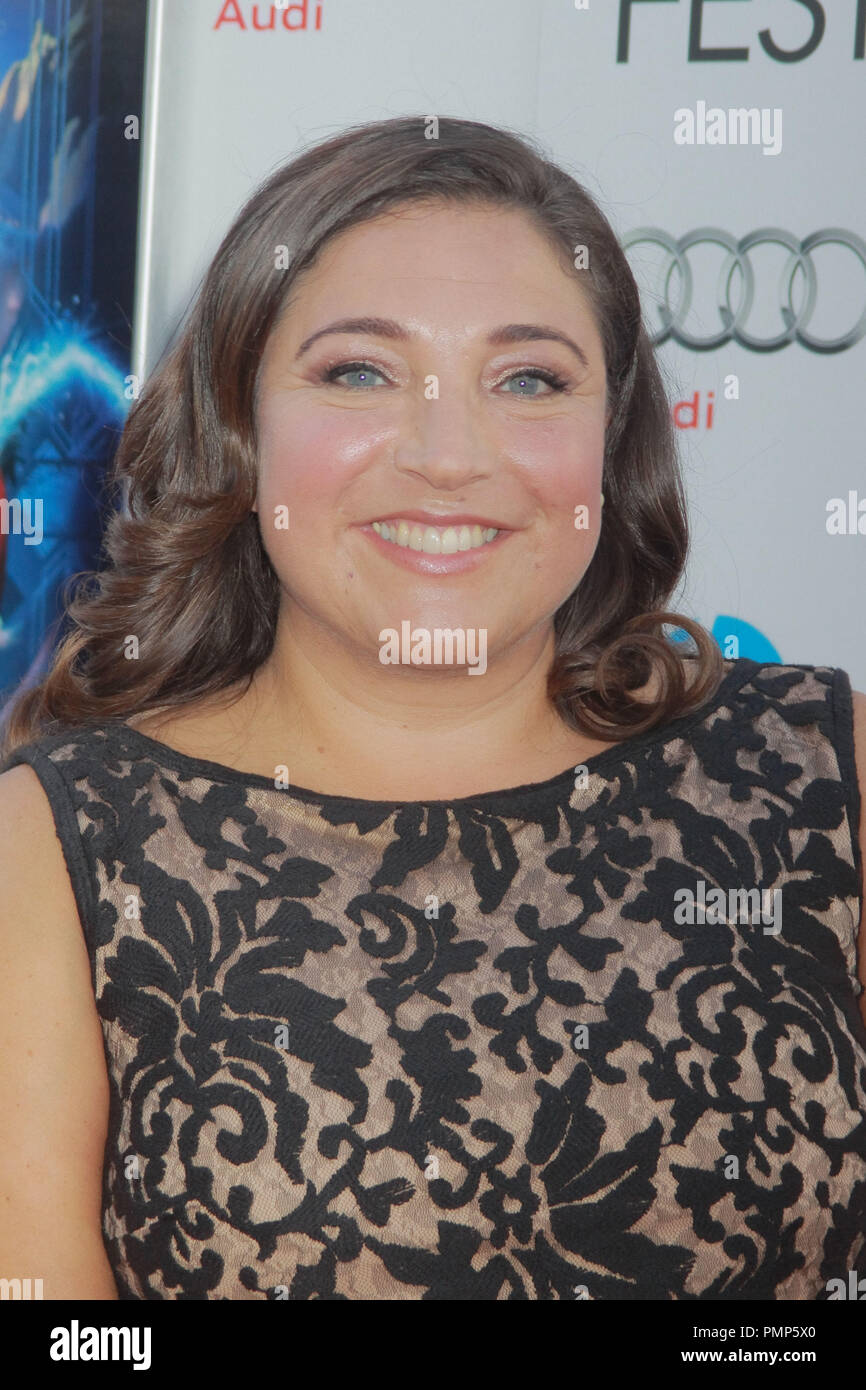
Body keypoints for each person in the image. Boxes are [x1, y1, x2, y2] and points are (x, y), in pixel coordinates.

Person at [0, 115, 863, 1301]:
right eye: (358, 370)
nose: (449, 454)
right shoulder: (49, 852)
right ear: (240, 431)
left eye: (527, 379)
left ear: (611, 449)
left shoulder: (826, 773)